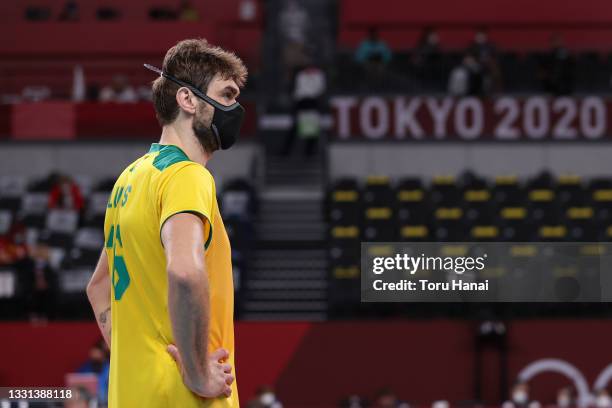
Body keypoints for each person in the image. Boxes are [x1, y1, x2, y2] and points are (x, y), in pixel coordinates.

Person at [86, 38, 247, 407]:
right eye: (226, 95)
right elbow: (186, 272)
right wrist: (196, 373)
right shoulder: (186, 176)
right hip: (185, 397)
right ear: (188, 100)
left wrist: (140, 357)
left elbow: (98, 288)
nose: (235, 108)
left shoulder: (128, 179)